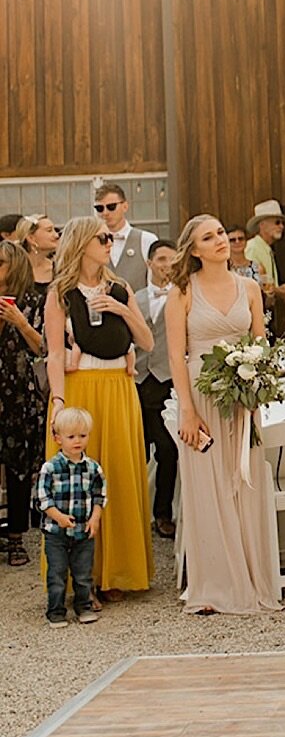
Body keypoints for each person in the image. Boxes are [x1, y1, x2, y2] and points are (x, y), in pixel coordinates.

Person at [165, 216, 282, 616]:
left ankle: (250, 578)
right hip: (201, 394)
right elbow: (176, 357)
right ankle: (216, 583)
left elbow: (261, 344)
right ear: (194, 250)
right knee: (207, 485)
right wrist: (187, 409)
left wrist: (258, 385)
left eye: (220, 234)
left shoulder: (249, 288)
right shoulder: (181, 292)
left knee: (243, 479)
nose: (219, 241)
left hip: (243, 397)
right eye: (208, 237)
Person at [44, 216, 154, 601]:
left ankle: (118, 572)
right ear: (81, 243)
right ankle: (82, 578)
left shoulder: (121, 288)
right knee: (78, 484)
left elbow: (147, 342)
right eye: (102, 237)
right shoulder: (61, 292)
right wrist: (58, 400)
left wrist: (121, 309)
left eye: (110, 237)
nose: (110, 243)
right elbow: (54, 353)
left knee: (119, 475)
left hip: (119, 388)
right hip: (81, 389)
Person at [0, 239, 46, 566]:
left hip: (16, 394)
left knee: (17, 466)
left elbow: (43, 348)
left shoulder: (31, 300)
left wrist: (20, 322)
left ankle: (17, 537)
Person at [36, 407, 104, 625]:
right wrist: (58, 517)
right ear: (58, 438)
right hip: (56, 532)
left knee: (83, 572)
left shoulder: (93, 468)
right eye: (71, 436)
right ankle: (55, 611)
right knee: (56, 573)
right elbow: (43, 499)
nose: (78, 441)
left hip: (83, 531)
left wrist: (95, 518)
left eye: (83, 436)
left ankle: (83, 607)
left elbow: (99, 496)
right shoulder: (50, 468)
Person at [134, 239, 179, 538]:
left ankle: (163, 513)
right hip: (136, 381)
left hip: (167, 381)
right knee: (135, 450)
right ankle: (133, 515)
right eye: (161, 259)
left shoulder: (183, 297)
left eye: (172, 261)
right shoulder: (132, 298)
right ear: (149, 263)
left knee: (167, 448)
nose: (166, 266)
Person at [93, 181, 158, 294]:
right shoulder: (92, 242)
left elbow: (154, 284)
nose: (105, 213)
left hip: (138, 309)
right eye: (99, 208)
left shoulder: (146, 239)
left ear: (125, 206)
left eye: (111, 207)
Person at [245, 200, 285, 318]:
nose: (281, 226)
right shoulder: (253, 248)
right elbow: (250, 281)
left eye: (282, 223)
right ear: (262, 225)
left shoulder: (265, 249)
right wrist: (278, 291)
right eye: (277, 222)